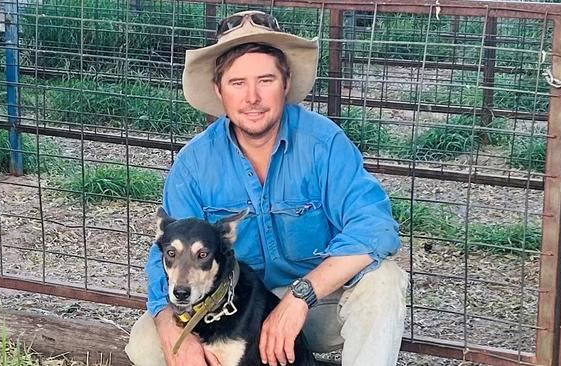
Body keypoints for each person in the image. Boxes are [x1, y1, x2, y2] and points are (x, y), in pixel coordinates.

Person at [125, 10, 408, 366]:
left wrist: (299, 297)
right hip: (231, 306)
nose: (253, 97)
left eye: (266, 80)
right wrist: (169, 328)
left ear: (285, 83)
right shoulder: (194, 163)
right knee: (146, 343)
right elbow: (164, 253)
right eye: (238, 83)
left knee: (384, 282)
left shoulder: (324, 143)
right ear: (219, 90)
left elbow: (376, 228)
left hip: (318, 305)